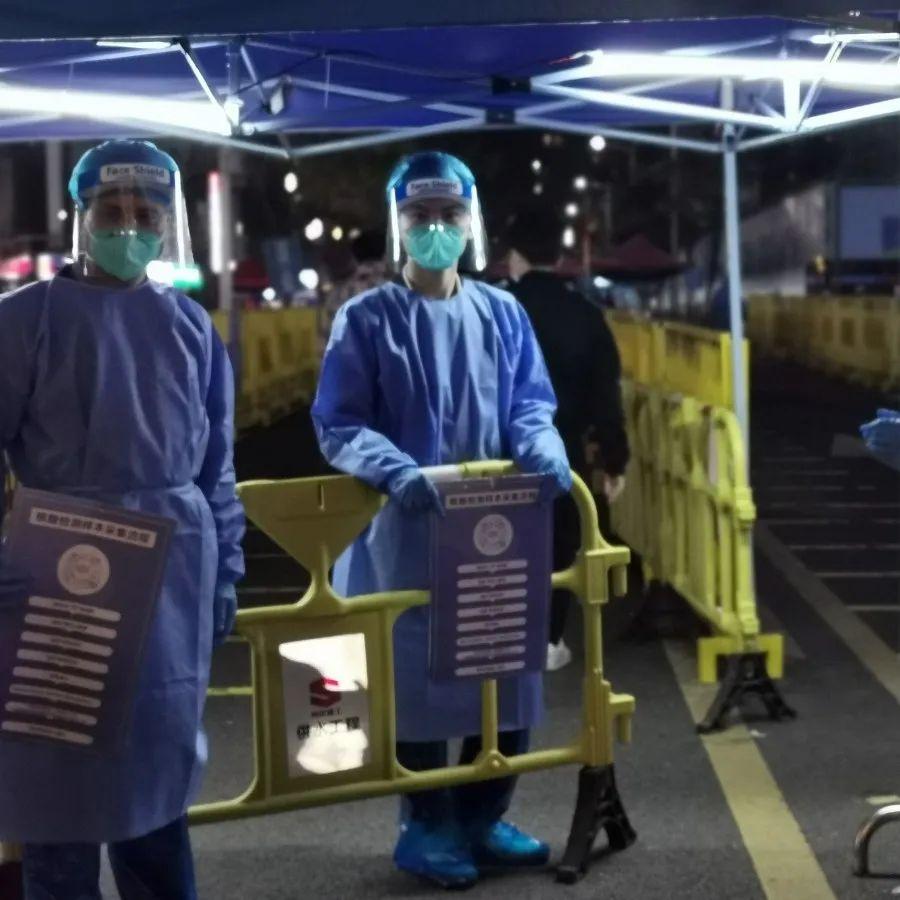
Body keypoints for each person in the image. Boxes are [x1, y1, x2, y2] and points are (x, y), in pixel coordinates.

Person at [312, 151, 571, 889]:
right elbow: (339, 421)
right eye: (419, 214)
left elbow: (529, 401)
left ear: (470, 222)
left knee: (505, 671)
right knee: (416, 684)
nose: (435, 227)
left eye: (449, 214)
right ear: (398, 224)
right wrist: (396, 469)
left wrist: (541, 445)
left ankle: (484, 814)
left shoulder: (503, 312)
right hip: (406, 531)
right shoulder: (367, 318)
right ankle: (426, 825)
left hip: (494, 530)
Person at [0, 139, 245, 900]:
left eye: (148, 210)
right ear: (81, 215)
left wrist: (225, 568)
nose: (130, 224)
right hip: (59, 576)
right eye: (112, 208)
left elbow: (216, 468)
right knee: (60, 785)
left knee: (154, 787)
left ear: (170, 222)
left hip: (171, 578)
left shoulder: (191, 327)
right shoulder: (25, 321)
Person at [504, 198, 629, 672]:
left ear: (514, 256)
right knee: (555, 547)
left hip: (493, 457)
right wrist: (614, 460)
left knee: (494, 546)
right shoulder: (585, 315)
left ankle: (492, 637)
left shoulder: (492, 310)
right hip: (561, 456)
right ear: (559, 257)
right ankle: (548, 638)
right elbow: (605, 395)